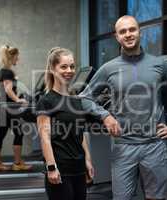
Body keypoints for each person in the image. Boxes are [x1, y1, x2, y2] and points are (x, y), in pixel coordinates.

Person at [80, 15, 167, 200]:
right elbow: (84, 98)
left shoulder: (159, 65)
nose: (128, 34)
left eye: (132, 29)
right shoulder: (108, 68)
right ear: (117, 36)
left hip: (155, 145)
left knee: (155, 197)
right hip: (124, 146)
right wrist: (105, 116)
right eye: (123, 31)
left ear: (140, 32)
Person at [36, 47, 120, 200]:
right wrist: (51, 168)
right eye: (64, 66)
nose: (69, 70)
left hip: (79, 169)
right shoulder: (46, 101)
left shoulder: (77, 100)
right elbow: (45, 138)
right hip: (61, 169)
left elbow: (80, 134)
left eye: (72, 66)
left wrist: (87, 160)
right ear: (53, 69)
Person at [0, 44, 32, 171]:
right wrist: (18, 99)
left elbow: (7, 89)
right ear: (11, 57)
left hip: (3, 107)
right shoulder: (7, 72)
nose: (18, 59)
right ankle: (18, 164)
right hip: (8, 108)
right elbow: (8, 90)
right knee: (19, 132)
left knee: (0, 134)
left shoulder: (3, 71)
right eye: (17, 57)